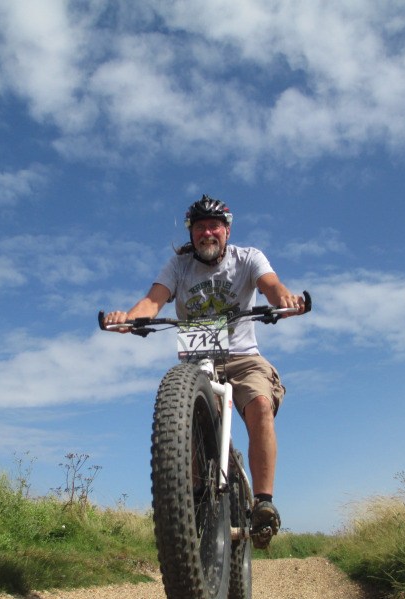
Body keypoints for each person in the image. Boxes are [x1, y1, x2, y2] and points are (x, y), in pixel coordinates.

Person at [103, 194, 307, 548]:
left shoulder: (248, 257)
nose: (207, 233)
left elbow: (271, 286)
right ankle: (196, 499)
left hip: (242, 356)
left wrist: (284, 300)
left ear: (226, 231)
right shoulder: (178, 266)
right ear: (191, 233)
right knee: (188, 427)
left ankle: (263, 502)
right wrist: (130, 318)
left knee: (259, 404)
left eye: (214, 226)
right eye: (199, 227)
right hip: (196, 362)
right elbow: (153, 300)